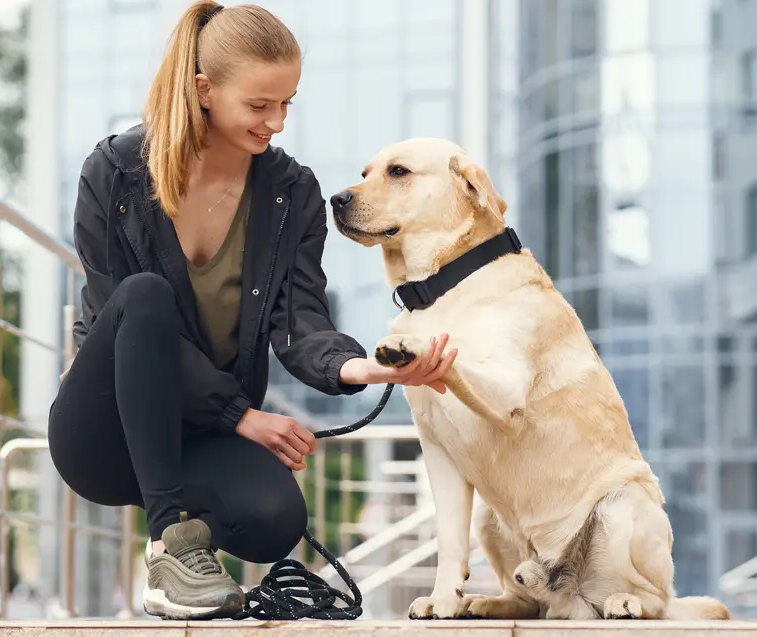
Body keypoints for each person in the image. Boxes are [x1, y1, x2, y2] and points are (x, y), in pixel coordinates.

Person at [47, 0, 457, 621]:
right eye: (260, 105)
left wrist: (365, 368)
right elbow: (116, 311)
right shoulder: (114, 174)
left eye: (287, 103)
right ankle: (167, 551)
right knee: (144, 296)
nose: (277, 123)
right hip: (104, 432)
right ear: (203, 91)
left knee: (276, 517)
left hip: (198, 435)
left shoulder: (292, 192)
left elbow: (300, 320)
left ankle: (187, 547)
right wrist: (240, 415)